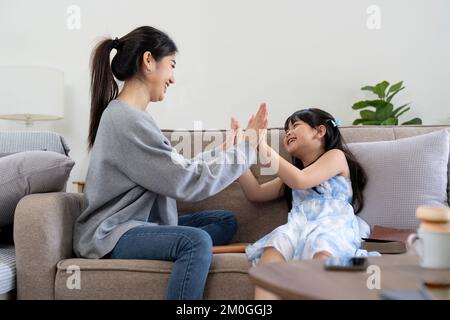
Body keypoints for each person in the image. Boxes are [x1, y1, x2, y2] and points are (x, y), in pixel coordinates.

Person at [73, 26, 268, 300]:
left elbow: (176, 168)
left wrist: (226, 150)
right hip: (110, 233)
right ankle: (186, 254)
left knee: (223, 219)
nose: (173, 79)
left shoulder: (133, 117)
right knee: (196, 241)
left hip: (139, 224)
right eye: (172, 66)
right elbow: (185, 182)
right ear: (148, 60)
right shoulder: (125, 120)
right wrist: (247, 148)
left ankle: (173, 249)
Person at [235, 108, 373, 299]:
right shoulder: (292, 175)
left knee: (322, 249)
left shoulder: (335, 157)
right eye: (286, 130)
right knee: (273, 249)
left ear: (320, 131)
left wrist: (261, 145)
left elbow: (300, 180)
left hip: (331, 223)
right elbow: (255, 193)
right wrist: (236, 155)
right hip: (298, 226)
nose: (288, 132)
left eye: (295, 126)